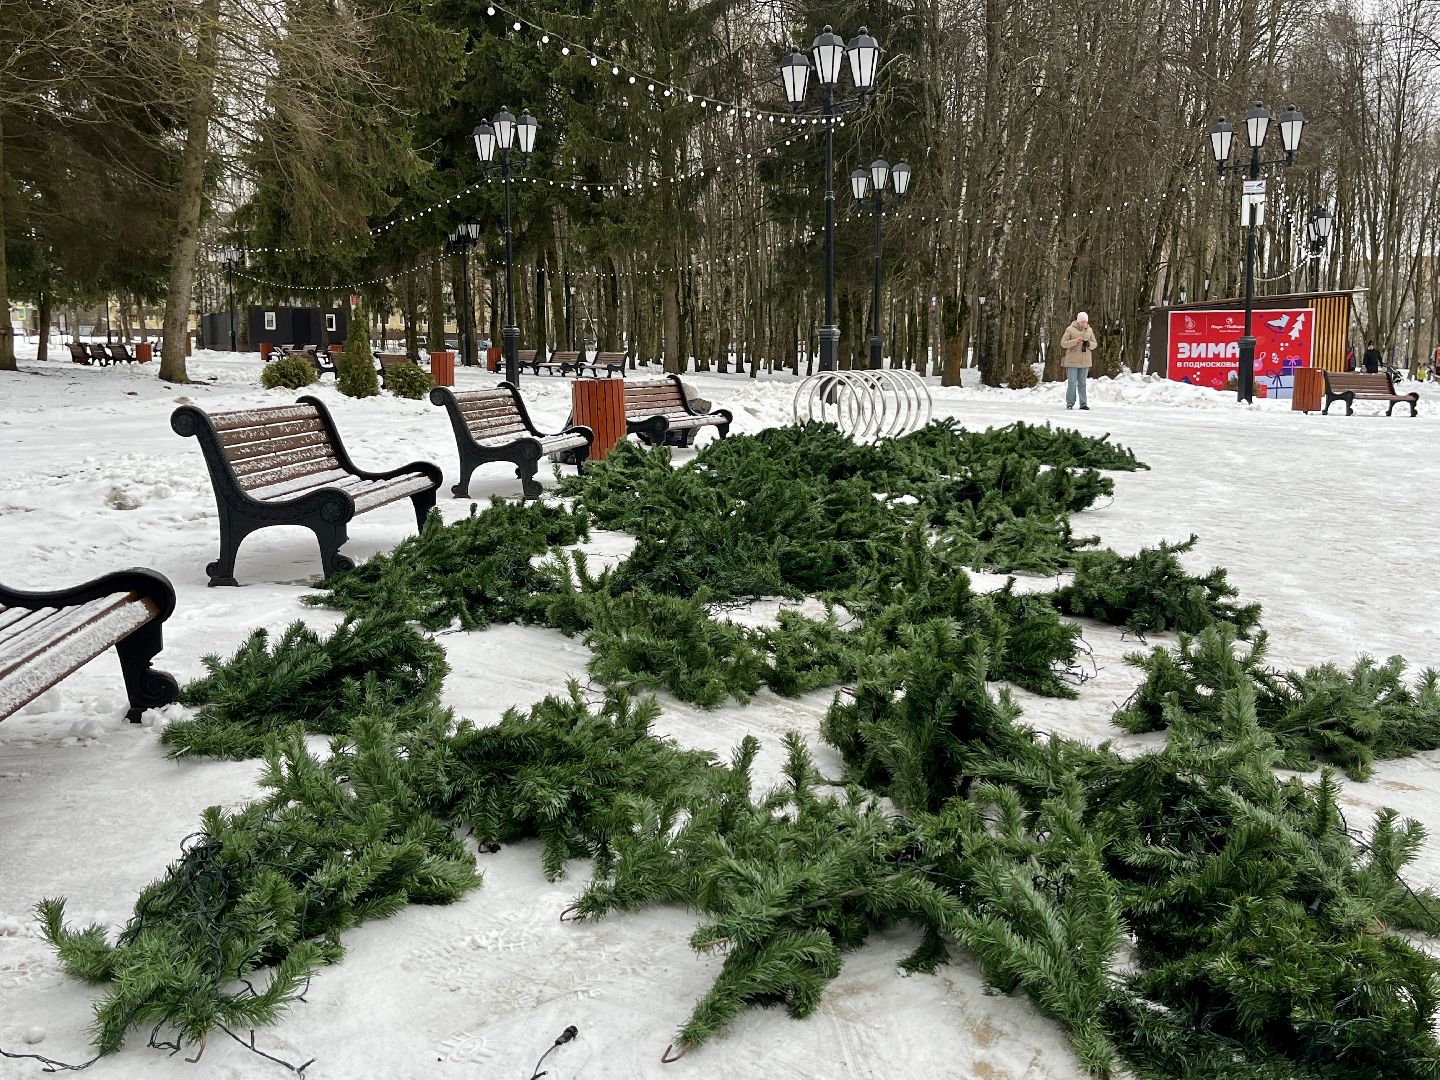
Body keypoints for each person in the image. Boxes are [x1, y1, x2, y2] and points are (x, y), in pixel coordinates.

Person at [1060, 310, 1097, 410]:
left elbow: (1095, 344)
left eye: (1086, 322)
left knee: (1082, 383)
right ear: (1078, 321)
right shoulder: (1070, 330)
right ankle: (1070, 403)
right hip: (1072, 361)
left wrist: (1088, 344)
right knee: (1072, 382)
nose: (1084, 324)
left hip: (1085, 361)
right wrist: (1075, 341)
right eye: (1082, 322)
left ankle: (1083, 403)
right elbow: (1063, 343)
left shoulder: (1089, 330)